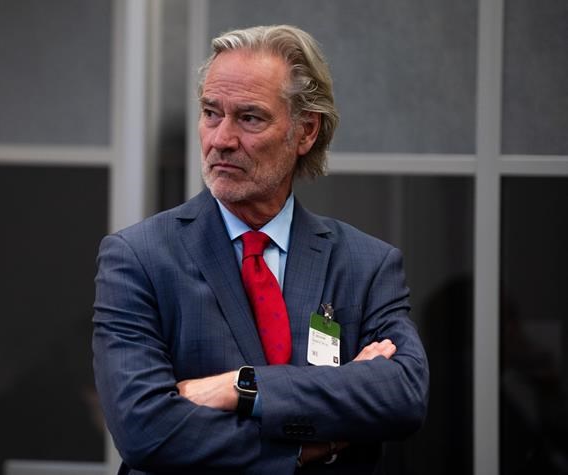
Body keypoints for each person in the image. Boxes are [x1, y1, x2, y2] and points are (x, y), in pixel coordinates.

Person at [93, 25, 429, 475]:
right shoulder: (139, 258)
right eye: (211, 113)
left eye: (249, 118)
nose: (221, 139)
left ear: (305, 131)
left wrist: (242, 387)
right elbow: (146, 430)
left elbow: (402, 394)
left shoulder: (365, 264)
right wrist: (306, 447)